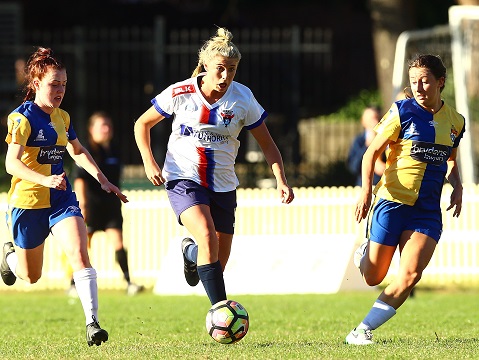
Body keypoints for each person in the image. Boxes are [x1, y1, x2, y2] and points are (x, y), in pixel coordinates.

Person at [134, 27, 294, 306]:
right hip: (183, 178)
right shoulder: (180, 92)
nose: (225, 76)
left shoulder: (243, 98)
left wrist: (281, 179)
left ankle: (192, 254)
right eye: (220, 68)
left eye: (231, 70)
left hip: (223, 183)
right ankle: (221, 311)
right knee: (207, 234)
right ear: (205, 65)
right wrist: (149, 162)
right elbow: (142, 124)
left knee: (217, 261)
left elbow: (268, 144)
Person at [0, 47, 128, 346]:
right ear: (35, 84)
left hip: (61, 199)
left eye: (64, 84)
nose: (59, 90)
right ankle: (8, 258)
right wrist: (44, 178)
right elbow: (11, 164)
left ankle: (92, 323)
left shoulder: (63, 117)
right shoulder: (21, 119)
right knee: (31, 276)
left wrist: (103, 180)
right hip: (28, 203)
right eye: (53, 84)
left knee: (81, 254)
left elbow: (78, 151)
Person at [345, 54, 464, 345]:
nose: (419, 87)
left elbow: (450, 159)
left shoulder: (456, 122)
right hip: (391, 202)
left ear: (440, 82)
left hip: (426, 212)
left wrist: (457, 186)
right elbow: (371, 153)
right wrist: (365, 193)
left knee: (410, 275)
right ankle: (366, 254)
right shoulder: (402, 111)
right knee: (373, 277)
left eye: (425, 81)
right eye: (414, 82)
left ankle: (362, 330)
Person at [65, 111, 144, 296]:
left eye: (108, 126)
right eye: (101, 126)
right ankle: (73, 284)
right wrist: (82, 205)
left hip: (111, 207)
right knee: (82, 246)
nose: (106, 129)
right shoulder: (86, 151)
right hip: (91, 206)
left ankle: (129, 282)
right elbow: (80, 179)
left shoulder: (115, 150)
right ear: (91, 130)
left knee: (118, 242)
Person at [347, 106, 386, 186]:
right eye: (372, 119)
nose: (375, 122)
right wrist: (366, 146)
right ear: (363, 122)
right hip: (364, 186)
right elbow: (353, 167)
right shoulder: (360, 141)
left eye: (377, 118)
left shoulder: (387, 139)